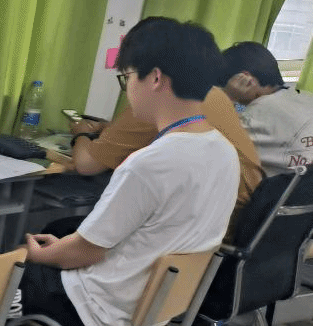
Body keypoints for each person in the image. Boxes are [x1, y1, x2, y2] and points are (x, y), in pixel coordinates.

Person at [23, 18, 238, 326]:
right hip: (155, 312)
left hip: (97, 312)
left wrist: (38, 256)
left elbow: (85, 253)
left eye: (127, 78)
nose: (127, 91)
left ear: (155, 78)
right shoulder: (224, 151)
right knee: (60, 237)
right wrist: (63, 248)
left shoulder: (148, 164)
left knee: (2, 273)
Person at [68, 33, 262, 218]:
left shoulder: (156, 98)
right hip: (241, 215)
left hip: (206, 220)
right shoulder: (214, 94)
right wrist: (110, 128)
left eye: (129, 76)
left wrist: (81, 133)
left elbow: (86, 164)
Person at [219, 41, 313, 176]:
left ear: (244, 79)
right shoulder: (307, 98)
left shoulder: (251, 119)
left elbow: (214, 146)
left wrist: (228, 98)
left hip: (289, 189)